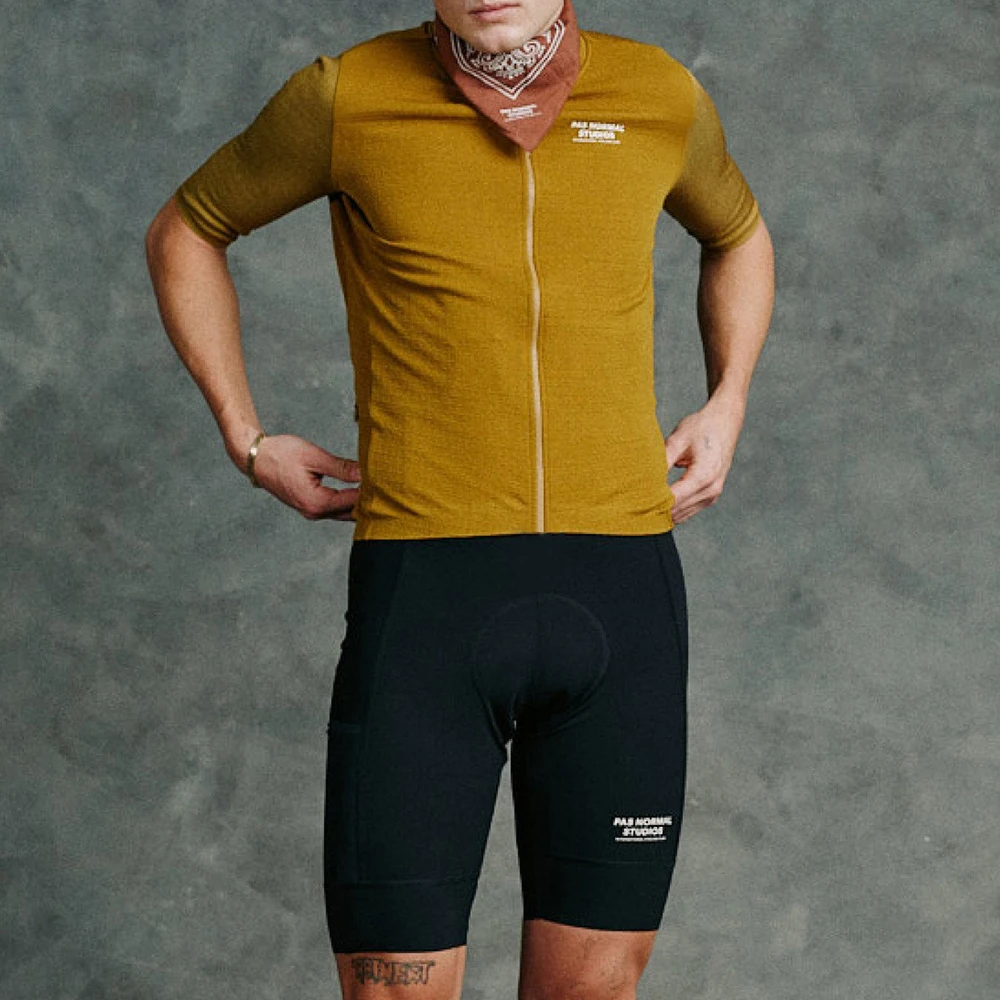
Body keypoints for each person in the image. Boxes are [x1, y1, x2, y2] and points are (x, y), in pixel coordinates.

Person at [145, 0, 775, 997]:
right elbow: (187, 228)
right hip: (427, 603)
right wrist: (247, 436)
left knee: (595, 987)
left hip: (621, 597)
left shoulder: (659, 96)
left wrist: (728, 398)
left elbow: (738, 233)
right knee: (393, 988)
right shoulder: (348, 96)